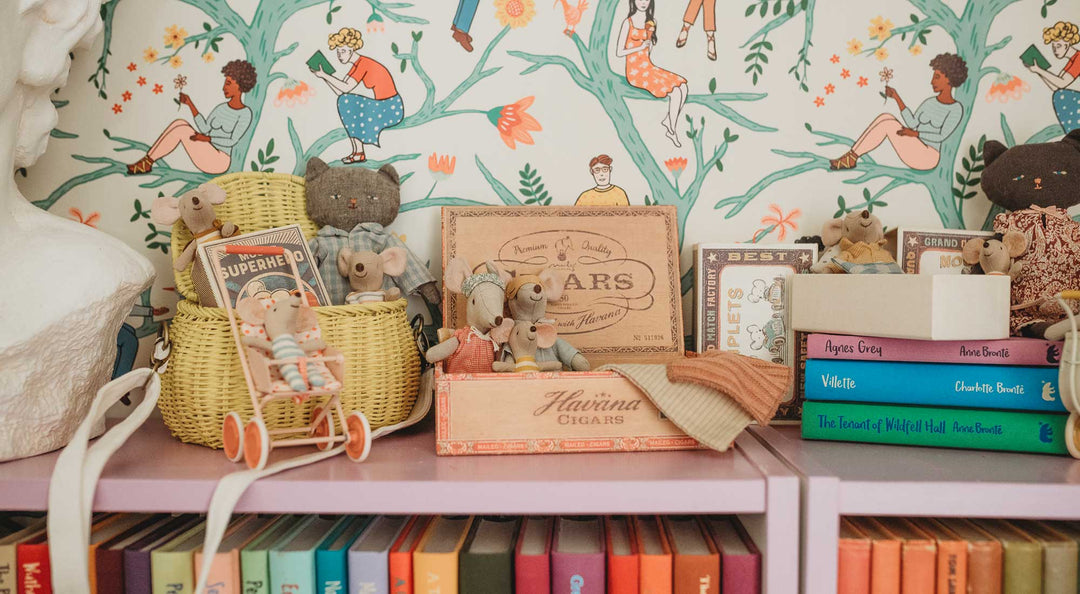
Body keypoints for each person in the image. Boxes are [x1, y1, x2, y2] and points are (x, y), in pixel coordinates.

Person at [831, 53, 968, 171]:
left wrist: (915, 134)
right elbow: (913, 123)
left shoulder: (956, 109)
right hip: (915, 145)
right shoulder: (930, 102)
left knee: (888, 125)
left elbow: (941, 136)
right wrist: (896, 97)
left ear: (950, 79)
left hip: (928, 156)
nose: (932, 81)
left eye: (937, 77)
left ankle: (852, 158)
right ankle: (852, 156)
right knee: (886, 117)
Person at [127, 60, 256, 175]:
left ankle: (147, 163)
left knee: (182, 130)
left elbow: (232, 141)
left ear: (240, 86)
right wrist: (190, 104)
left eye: (228, 83)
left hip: (220, 160)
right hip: (207, 150)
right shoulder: (221, 108)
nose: (224, 87)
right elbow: (205, 128)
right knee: (180, 123)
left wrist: (206, 139)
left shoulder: (245, 113)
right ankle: (147, 160)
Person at [311, 27, 404, 164]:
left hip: (390, 107)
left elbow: (346, 88)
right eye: (338, 52)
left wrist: (325, 75)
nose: (339, 55)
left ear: (352, 50)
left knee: (347, 102)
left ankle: (359, 152)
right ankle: (357, 151)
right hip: (384, 105)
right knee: (345, 101)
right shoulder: (356, 65)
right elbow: (340, 91)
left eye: (343, 51)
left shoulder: (364, 64)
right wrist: (324, 77)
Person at [615, 0, 689, 148]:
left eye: (647, 0)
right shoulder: (627, 23)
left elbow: (648, 52)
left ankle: (669, 120)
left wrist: (648, 46)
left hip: (648, 67)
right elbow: (619, 52)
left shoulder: (652, 22)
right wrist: (639, 47)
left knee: (683, 86)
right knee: (675, 92)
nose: (643, 3)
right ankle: (672, 130)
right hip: (635, 72)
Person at [1028, 21, 1080, 134]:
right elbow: (1055, 87)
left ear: (1067, 44)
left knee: (1061, 96)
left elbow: (1062, 83)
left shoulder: (1078, 58)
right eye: (1053, 47)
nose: (1055, 50)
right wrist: (1039, 71)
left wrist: (1040, 70)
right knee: (1059, 94)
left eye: (1058, 46)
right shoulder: (1072, 60)